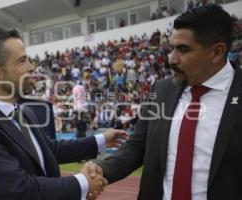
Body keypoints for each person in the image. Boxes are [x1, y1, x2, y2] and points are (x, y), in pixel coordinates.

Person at [0, 27, 128, 200]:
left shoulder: (25, 113)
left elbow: (49, 150)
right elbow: (20, 189)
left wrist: (100, 140)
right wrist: (83, 183)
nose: (32, 67)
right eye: (22, 61)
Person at [89, 4, 242, 200]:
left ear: (217, 52)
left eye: (183, 49)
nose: (172, 59)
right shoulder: (162, 90)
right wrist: (101, 169)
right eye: (172, 48)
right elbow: (137, 146)